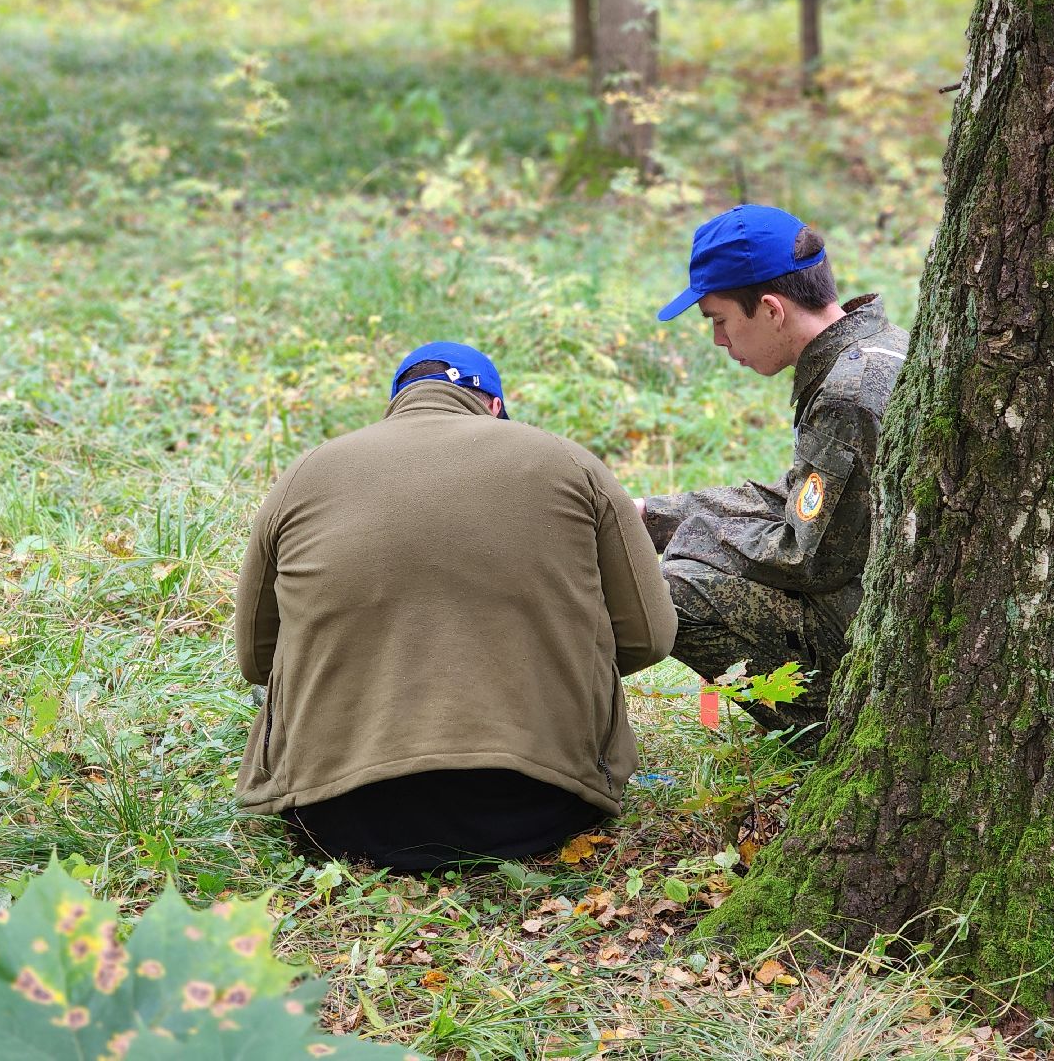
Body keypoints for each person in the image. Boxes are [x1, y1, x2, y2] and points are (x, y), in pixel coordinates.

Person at [233, 341, 676, 870]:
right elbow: (650, 637)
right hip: (541, 806)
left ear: (397, 405)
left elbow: (257, 660)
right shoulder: (571, 463)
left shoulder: (305, 473)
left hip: (334, 816)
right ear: (493, 406)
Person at [636, 204, 909, 736]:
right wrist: (651, 517)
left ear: (771, 309)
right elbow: (800, 499)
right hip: (886, 602)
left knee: (669, 593)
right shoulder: (874, 349)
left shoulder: (847, 394)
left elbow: (808, 558)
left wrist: (694, 537)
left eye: (719, 320)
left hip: (883, 641)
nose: (719, 340)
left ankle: (834, 736)